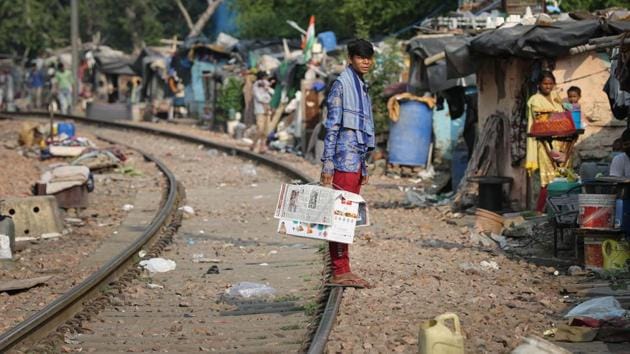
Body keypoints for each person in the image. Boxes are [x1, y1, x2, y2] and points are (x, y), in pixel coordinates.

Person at [320, 39, 375, 289]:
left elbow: (362, 130)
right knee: (341, 217)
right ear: (350, 58)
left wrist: (364, 167)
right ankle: (340, 270)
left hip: (355, 161)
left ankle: (344, 268)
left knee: (347, 217)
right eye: (361, 57)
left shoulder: (361, 86)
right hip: (342, 161)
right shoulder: (341, 85)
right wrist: (327, 165)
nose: (366, 62)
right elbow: (331, 127)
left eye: (369, 58)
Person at [525, 71, 569, 212]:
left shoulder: (556, 98)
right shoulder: (535, 100)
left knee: (563, 176)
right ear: (539, 84)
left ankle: (558, 210)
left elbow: (563, 115)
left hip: (561, 143)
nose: (548, 86)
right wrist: (559, 118)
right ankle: (541, 210)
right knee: (548, 179)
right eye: (545, 83)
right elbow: (541, 119)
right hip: (545, 144)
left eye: (550, 84)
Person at [252, 71, 273, 153]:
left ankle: (262, 146)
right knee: (260, 128)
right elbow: (259, 98)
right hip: (260, 109)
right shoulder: (256, 86)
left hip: (268, 109)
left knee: (266, 129)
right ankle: (254, 144)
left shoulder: (266, 85)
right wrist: (266, 101)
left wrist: (267, 88)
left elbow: (272, 92)